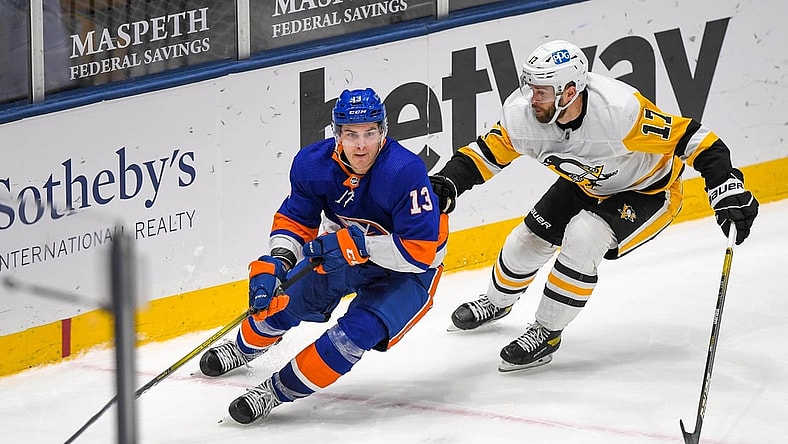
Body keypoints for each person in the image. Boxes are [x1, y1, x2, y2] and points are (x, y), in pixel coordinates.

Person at [429, 40, 759, 372]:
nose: (532, 98)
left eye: (541, 91)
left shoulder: (619, 112)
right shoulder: (522, 115)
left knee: (584, 235)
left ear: (570, 92)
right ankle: (497, 302)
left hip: (647, 191)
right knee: (524, 243)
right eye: (530, 87)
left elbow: (694, 138)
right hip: (586, 182)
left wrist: (725, 186)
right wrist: (448, 181)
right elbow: (487, 154)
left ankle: (546, 332)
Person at [199, 88, 447, 424]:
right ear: (337, 134)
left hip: (408, 270)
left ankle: (274, 391)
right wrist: (279, 261)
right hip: (342, 252)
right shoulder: (312, 164)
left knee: (354, 335)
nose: (361, 145)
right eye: (351, 135)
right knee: (282, 299)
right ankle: (243, 348)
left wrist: (360, 246)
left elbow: (420, 253)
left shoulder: (404, 171)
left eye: (370, 133)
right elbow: (295, 220)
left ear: (383, 131)